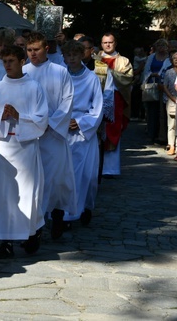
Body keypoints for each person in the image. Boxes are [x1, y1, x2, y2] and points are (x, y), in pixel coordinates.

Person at [0, 45, 48, 258]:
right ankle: (4, 240)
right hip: (2, 146)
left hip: (25, 148)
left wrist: (19, 116)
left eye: (11, 61)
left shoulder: (34, 87)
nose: (7, 65)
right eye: (5, 61)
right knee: (2, 196)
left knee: (27, 195)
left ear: (21, 62)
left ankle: (30, 233)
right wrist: (0, 116)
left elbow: (42, 119)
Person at [23, 31, 76, 239]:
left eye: (36, 49)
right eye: (29, 50)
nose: (32, 54)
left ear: (46, 49)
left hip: (52, 134)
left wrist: (50, 124)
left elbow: (67, 101)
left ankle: (57, 215)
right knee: (32, 181)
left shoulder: (60, 71)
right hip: (30, 135)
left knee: (54, 179)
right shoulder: (23, 72)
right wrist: (32, 125)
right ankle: (34, 226)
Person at [62, 41, 104, 225]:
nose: (71, 58)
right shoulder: (61, 76)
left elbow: (97, 107)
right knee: (65, 174)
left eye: (75, 55)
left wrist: (79, 122)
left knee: (86, 174)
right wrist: (61, 120)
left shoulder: (91, 78)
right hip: (62, 129)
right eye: (68, 55)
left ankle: (84, 207)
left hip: (83, 132)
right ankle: (66, 213)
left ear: (81, 56)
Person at [95, 33, 134, 177]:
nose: (108, 45)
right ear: (101, 43)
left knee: (112, 130)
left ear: (115, 43)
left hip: (115, 100)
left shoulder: (123, 61)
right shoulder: (95, 58)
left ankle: (111, 169)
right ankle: (95, 166)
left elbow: (127, 79)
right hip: (96, 99)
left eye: (110, 42)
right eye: (105, 42)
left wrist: (109, 71)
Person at [142, 39, 171, 144]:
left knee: (162, 111)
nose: (161, 47)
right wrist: (152, 75)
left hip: (164, 85)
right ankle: (151, 134)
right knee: (151, 111)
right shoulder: (151, 57)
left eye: (163, 45)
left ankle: (161, 135)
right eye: (159, 45)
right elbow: (146, 70)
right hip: (152, 85)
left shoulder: (169, 58)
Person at [161, 51, 177, 156]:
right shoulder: (168, 72)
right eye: (174, 58)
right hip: (170, 99)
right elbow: (164, 86)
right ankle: (171, 145)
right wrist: (172, 97)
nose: (175, 60)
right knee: (171, 124)